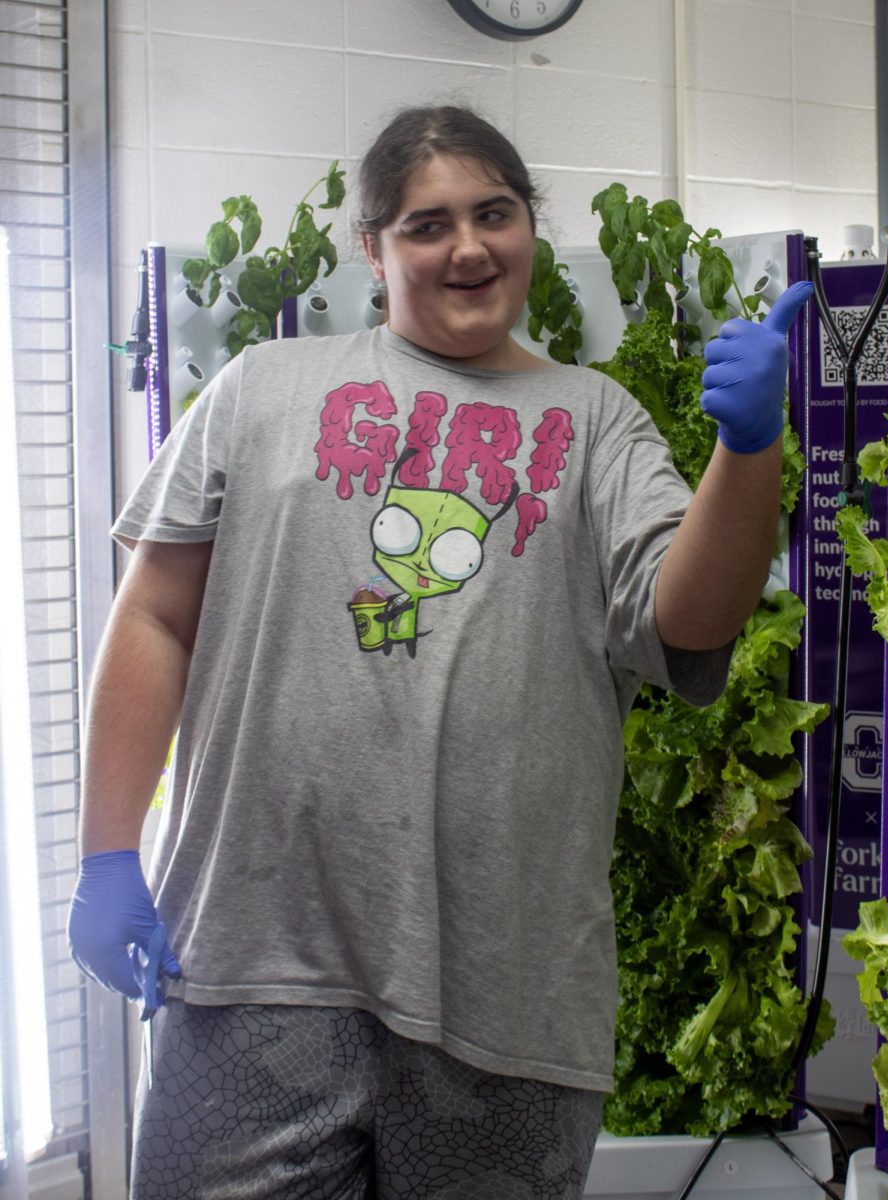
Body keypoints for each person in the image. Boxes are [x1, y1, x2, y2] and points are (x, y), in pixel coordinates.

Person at [67, 105, 812, 1199]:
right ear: (369, 247)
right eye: (425, 224)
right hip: (252, 962)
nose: (466, 247)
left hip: (504, 992)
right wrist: (103, 856)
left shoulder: (596, 422)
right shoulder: (262, 392)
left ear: (528, 229)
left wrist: (747, 453)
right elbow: (153, 618)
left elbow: (688, 621)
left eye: (492, 214)